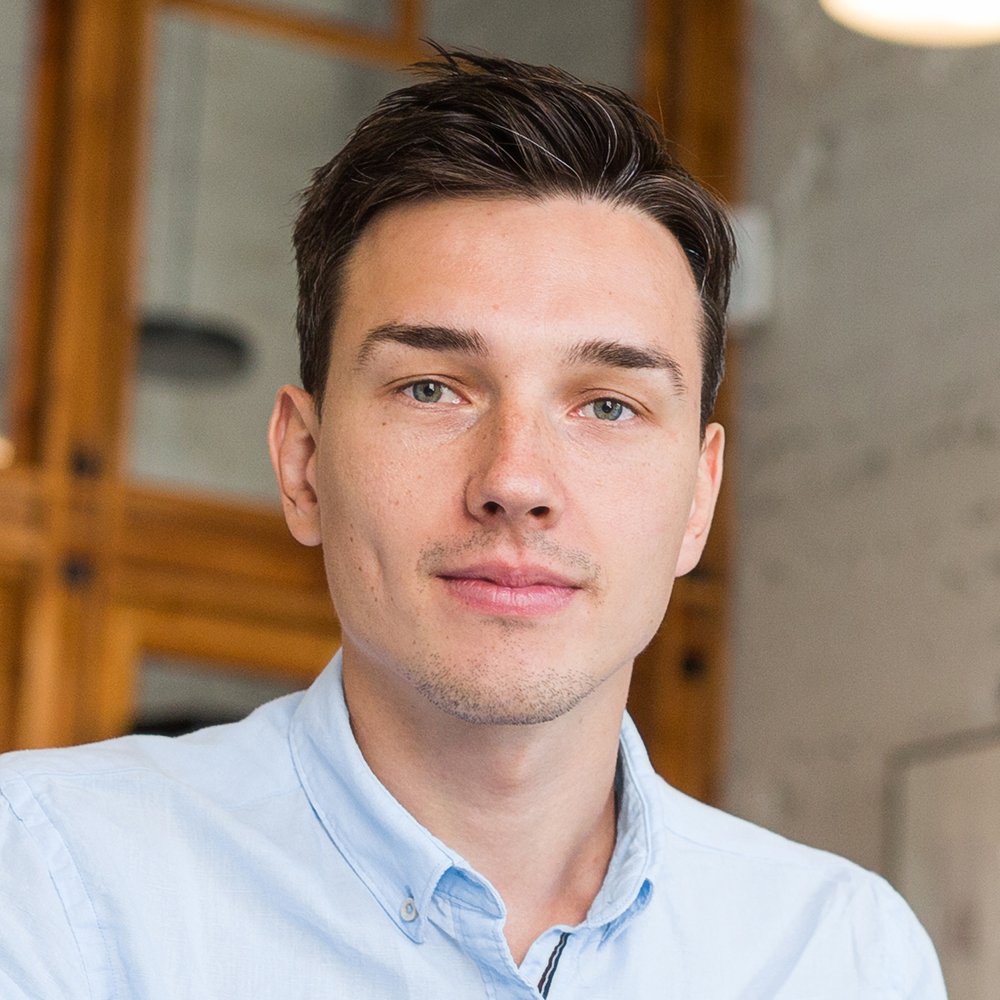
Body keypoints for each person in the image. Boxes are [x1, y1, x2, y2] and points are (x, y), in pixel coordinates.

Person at [0, 50, 944, 999]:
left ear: (700, 499)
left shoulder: (840, 954)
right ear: (302, 465)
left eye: (608, 405)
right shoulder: (52, 879)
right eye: (431, 388)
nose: (516, 480)